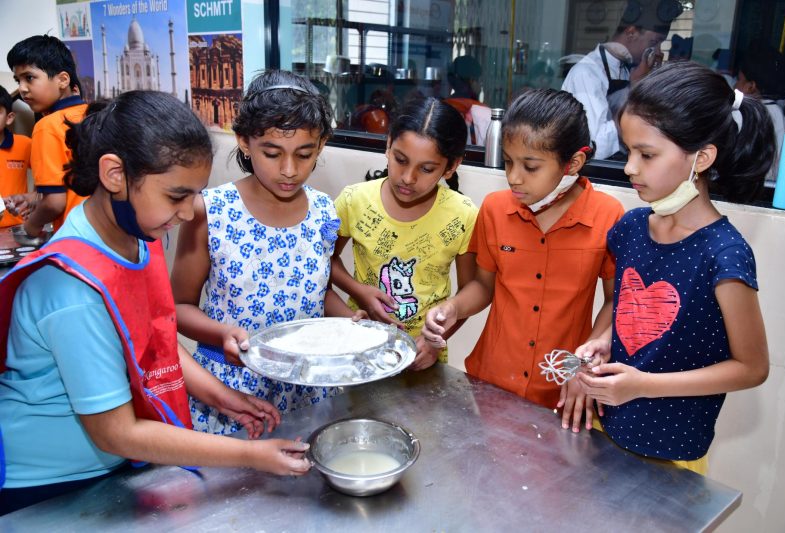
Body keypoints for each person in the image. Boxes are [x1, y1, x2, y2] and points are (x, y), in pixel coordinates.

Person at [0, 90, 312, 516]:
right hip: (50, 487)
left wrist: (220, 397)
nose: (187, 213)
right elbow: (118, 433)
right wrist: (249, 456)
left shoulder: (131, 239)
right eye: (175, 196)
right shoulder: (73, 293)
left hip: (112, 466)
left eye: (194, 195)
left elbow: (149, 341)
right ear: (114, 174)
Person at [574, 61, 772, 474]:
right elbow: (623, 305)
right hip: (607, 426)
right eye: (629, 152)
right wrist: (603, 341)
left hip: (673, 452)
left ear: (701, 158)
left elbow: (752, 367)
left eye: (646, 154)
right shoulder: (631, 228)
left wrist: (643, 385)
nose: (630, 168)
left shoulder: (724, 254)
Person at [171, 70, 362, 436]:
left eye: (304, 155)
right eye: (272, 153)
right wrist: (223, 332)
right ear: (244, 141)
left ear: (320, 146)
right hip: (234, 390)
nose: (289, 170)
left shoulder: (324, 210)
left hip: (308, 387)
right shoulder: (210, 211)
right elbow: (178, 308)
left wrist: (347, 322)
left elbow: (315, 292)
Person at [422, 89, 624, 431]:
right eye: (508, 162)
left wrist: (584, 364)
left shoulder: (608, 215)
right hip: (492, 380)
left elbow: (615, 301)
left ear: (572, 163)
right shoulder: (495, 208)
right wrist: (453, 308)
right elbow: (484, 286)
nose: (514, 177)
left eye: (530, 166)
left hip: (561, 387)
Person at [332, 97, 478, 370]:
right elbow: (324, 260)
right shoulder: (354, 200)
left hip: (423, 360)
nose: (408, 178)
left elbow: (470, 292)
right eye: (400, 160)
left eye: (426, 169)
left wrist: (437, 340)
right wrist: (359, 292)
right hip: (360, 348)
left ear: (451, 166)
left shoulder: (463, 215)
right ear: (388, 145)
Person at [561, 0, 683, 159]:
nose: (658, 52)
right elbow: (595, 148)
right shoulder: (586, 74)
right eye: (653, 42)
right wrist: (634, 89)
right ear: (631, 32)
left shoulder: (629, 69)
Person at [5, 35, 89, 236]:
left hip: (75, 238)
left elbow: (54, 203)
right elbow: (75, 187)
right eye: (18, 80)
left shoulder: (47, 127)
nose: (22, 89)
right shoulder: (92, 114)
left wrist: (32, 226)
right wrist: (33, 198)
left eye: (29, 78)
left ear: (62, 80)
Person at [734, 48, 785, 183]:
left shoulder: (742, 114)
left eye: (739, 79)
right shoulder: (784, 116)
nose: (735, 84)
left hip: (742, 188)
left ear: (751, 86)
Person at [0, 85, 31, 228]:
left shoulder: (25, 145)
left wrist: (32, 200)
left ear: (9, 118)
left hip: (18, 228)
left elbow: (48, 179)